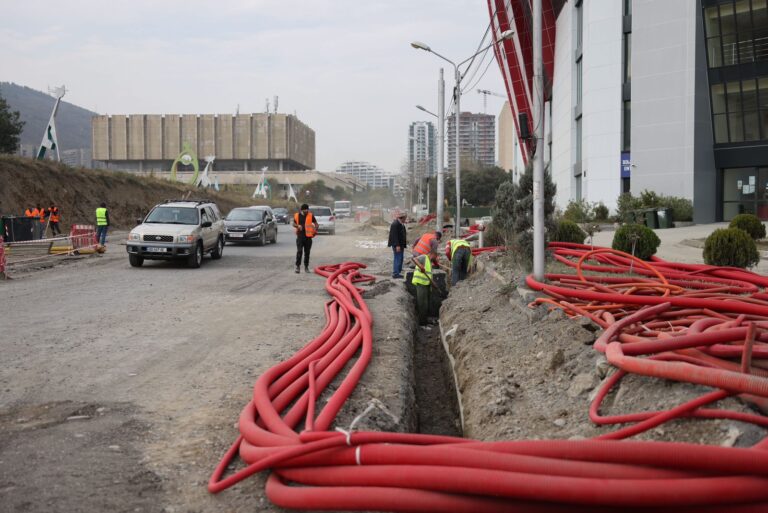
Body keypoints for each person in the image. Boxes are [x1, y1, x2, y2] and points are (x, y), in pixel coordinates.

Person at [411, 246, 439, 325]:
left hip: (426, 285)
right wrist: (420, 266)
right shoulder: (424, 257)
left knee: (426, 304)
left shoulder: (429, 262)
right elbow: (414, 259)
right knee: (422, 304)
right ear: (432, 254)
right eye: (435, 256)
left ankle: (425, 321)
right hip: (421, 284)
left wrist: (432, 283)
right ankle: (422, 323)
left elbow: (429, 275)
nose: (436, 258)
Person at [292, 203, 318, 273]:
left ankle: (306, 267)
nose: (306, 211)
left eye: (307, 209)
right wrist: (298, 226)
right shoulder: (297, 215)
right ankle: (298, 267)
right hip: (300, 236)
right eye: (305, 210)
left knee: (307, 253)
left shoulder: (311, 215)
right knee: (299, 251)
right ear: (302, 210)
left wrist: (316, 229)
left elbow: (316, 223)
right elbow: (293, 224)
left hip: (308, 238)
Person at [387, 213, 407, 279]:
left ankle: (399, 270)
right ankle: (396, 273)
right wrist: (397, 245)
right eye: (405, 218)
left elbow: (402, 234)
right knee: (397, 258)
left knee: (400, 258)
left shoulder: (401, 224)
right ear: (402, 218)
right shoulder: (395, 224)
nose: (406, 219)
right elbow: (394, 236)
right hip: (397, 245)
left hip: (401, 244)